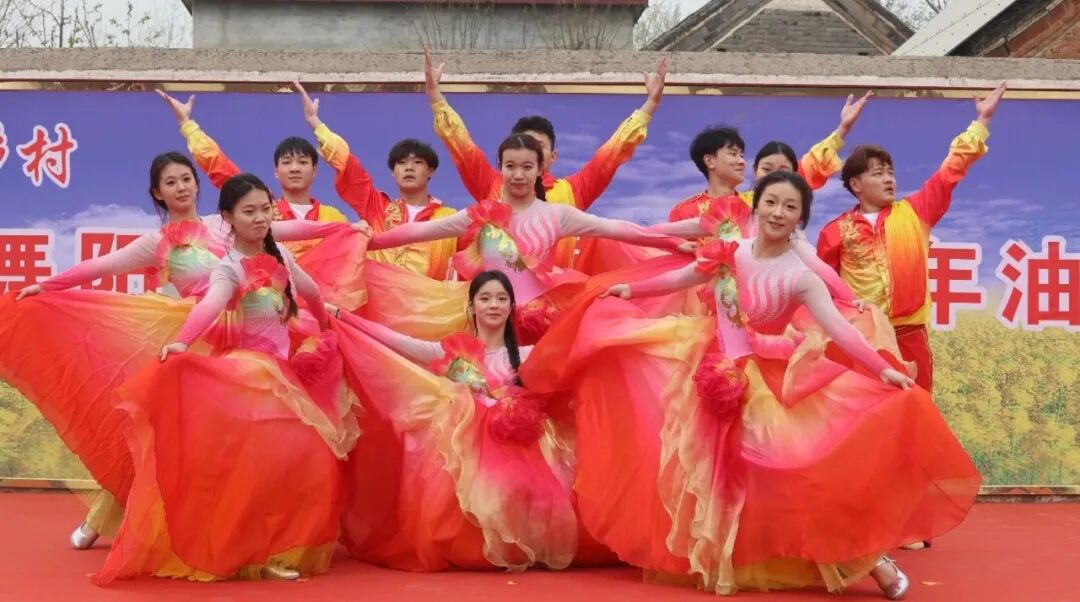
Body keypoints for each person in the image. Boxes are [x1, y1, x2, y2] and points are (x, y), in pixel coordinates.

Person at [524, 171, 981, 598]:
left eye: (790, 207)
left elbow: (839, 330)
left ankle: (868, 558)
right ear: (756, 206)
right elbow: (685, 277)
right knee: (711, 473)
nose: (778, 213)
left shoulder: (801, 277)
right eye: (771, 203)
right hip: (709, 371)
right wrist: (632, 291)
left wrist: (882, 369)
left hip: (768, 379)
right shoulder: (731, 253)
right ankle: (735, 555)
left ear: (800, 218)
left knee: (796, 472)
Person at [1, 152, 359, 552]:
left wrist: (342, 228)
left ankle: (239, 532)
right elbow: (101, 266)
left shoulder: (223, 223)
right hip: (196, 340)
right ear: (158, 193)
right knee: (168, 442)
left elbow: (284, 230)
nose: (181, 188)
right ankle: (106, 517)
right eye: (171, 183)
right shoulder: (155, 243)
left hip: (250, 339)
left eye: (186, 179)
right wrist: (48, 285)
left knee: (243, 446)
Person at [93, 173, 356, 584]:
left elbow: (311, 293)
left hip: (284, 379)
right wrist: (182, 341)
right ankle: (253, 552)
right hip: (248, 381)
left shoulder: (281, 256)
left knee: (300, 465)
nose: (260, 218)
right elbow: (210, 306)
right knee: (256, 472)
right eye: (249, 211)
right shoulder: (228, 269)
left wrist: (324, 330)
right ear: (228, 218)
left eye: (265, 209)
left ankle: (276, 548)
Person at [330, 270, 614, 570]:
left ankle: (519, 546)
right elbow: (398, 341)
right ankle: (473, 548)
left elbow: (576, 349)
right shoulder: (452, 352)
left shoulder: (528, 354)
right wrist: (341, 316)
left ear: (511, 307)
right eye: (485, 298)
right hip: (464, 440)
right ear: (472, 306)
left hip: (522, 442)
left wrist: (606, 310)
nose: (494, 305)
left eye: (501, 299)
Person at [366, 134, 693, 344]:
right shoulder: (482, 214)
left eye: (527, 166)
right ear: (500, 168)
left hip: (543, 327)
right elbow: (419, 231)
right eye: (510, 166)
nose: (518, 174)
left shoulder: (557, 215)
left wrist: (670, 243)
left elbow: (618, 228)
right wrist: (369, 242)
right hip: (488, 322)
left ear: (540, 170)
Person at [817, 82, 1006, 392]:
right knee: (866, 413)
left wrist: (981, 121)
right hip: (862, 338)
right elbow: (823, 291)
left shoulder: (916, 211)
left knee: (916, 409)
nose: (888, 179)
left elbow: (950, 170)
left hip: (910, 337)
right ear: (855, 184)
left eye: (890, 172)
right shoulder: (834, 231)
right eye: (878, 173)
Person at [423, 47, 668, 269]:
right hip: (500, 295)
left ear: (551, 157)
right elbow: (462, 146)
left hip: (558, 295)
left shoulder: (573, 191)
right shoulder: (492, 184)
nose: (526, 157)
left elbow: (612, 153)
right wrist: (436, 100)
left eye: (537, 148)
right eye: (521, 148)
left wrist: (649, 107)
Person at [294, 81, 461, 280]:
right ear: (393, 172)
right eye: (401, 163)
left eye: (417, 163)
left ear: (431, 170)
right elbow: (349, 167)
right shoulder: (378, 209)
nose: (409, 168)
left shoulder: (448, 219)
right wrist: (315, 123)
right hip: (379, 299)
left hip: (430, 298)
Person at [156, 90, 352, 257]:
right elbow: (220, 168)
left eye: (302, 162)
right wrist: (187, 125)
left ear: (315, 170)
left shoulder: (333, 217)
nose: (294, 168)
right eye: (286, 162)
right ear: (276, 171)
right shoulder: (263, 209)